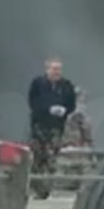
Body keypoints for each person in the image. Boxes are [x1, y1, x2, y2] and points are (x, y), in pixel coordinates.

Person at [27, 58, 77, 198]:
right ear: (47, 69)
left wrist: (65, 111)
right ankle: (36, 188)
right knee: (37, 159)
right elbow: (32, 102)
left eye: (59, 69)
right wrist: (47, 109)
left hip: (56, 127)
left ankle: (46, 189)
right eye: (54, 69)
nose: (57, 72)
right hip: (39, 127)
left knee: (51, 159)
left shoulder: (67, 86)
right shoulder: (38, 84)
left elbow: (72, 104)